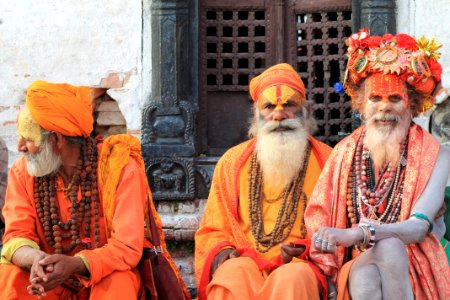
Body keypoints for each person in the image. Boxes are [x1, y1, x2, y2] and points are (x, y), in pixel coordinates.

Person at [0, 81, 188, 299]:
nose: (20, 146)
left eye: (29, 139)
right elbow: (16, 235)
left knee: (119, 280)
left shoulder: (119, 168)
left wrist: (76, 264)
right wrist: (37, 260)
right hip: (48, 281)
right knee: (9, 276)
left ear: (57, 139)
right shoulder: (23, 171)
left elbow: (127, 247)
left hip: (104, 276)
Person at [305, 30, 450, 300]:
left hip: (413, 264)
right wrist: (326, 241)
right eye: (376, 99)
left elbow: (419, 226)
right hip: (357, 264)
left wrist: (357, 234)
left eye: (395, 99)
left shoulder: (437, 154)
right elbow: (319, 220)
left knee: (390, 248)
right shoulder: (344, 152)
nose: (384, 108)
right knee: (370, 267)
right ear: (362, 104)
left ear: (412, 105)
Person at [194, 63, 332, 300]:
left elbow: (340, 225)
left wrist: (308, 248)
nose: (278, 115)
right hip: (246, 260)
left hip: (302, 263)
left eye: (289, 105)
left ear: (305, 111)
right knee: (231, 275)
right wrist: (224, 253)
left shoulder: (329, 160)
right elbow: (213, 228)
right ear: (257, 114)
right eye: (269, 106)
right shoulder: (232, 161)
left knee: (291, 278)